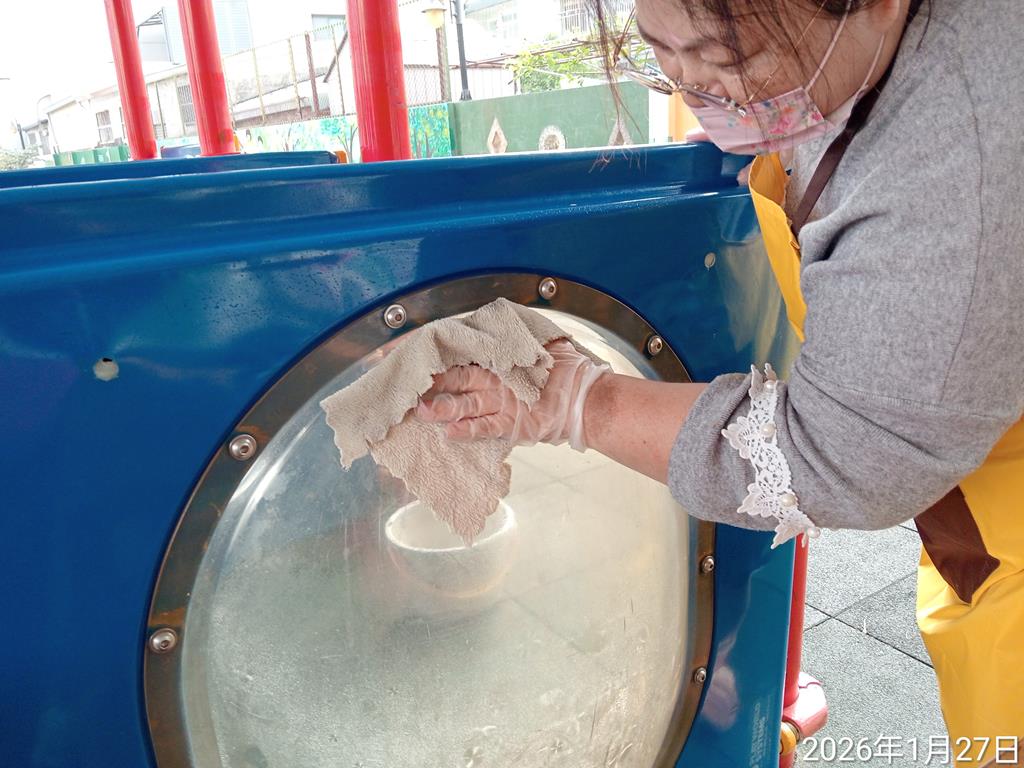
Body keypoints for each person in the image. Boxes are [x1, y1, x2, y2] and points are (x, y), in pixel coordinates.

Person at [416, 0, 1023, 756]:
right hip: (971, 517)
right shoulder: (869, 62)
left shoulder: (962, 156)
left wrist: (578, 402)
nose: (696, 90)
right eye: (665, 58)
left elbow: (837, 456)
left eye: (725, 60)